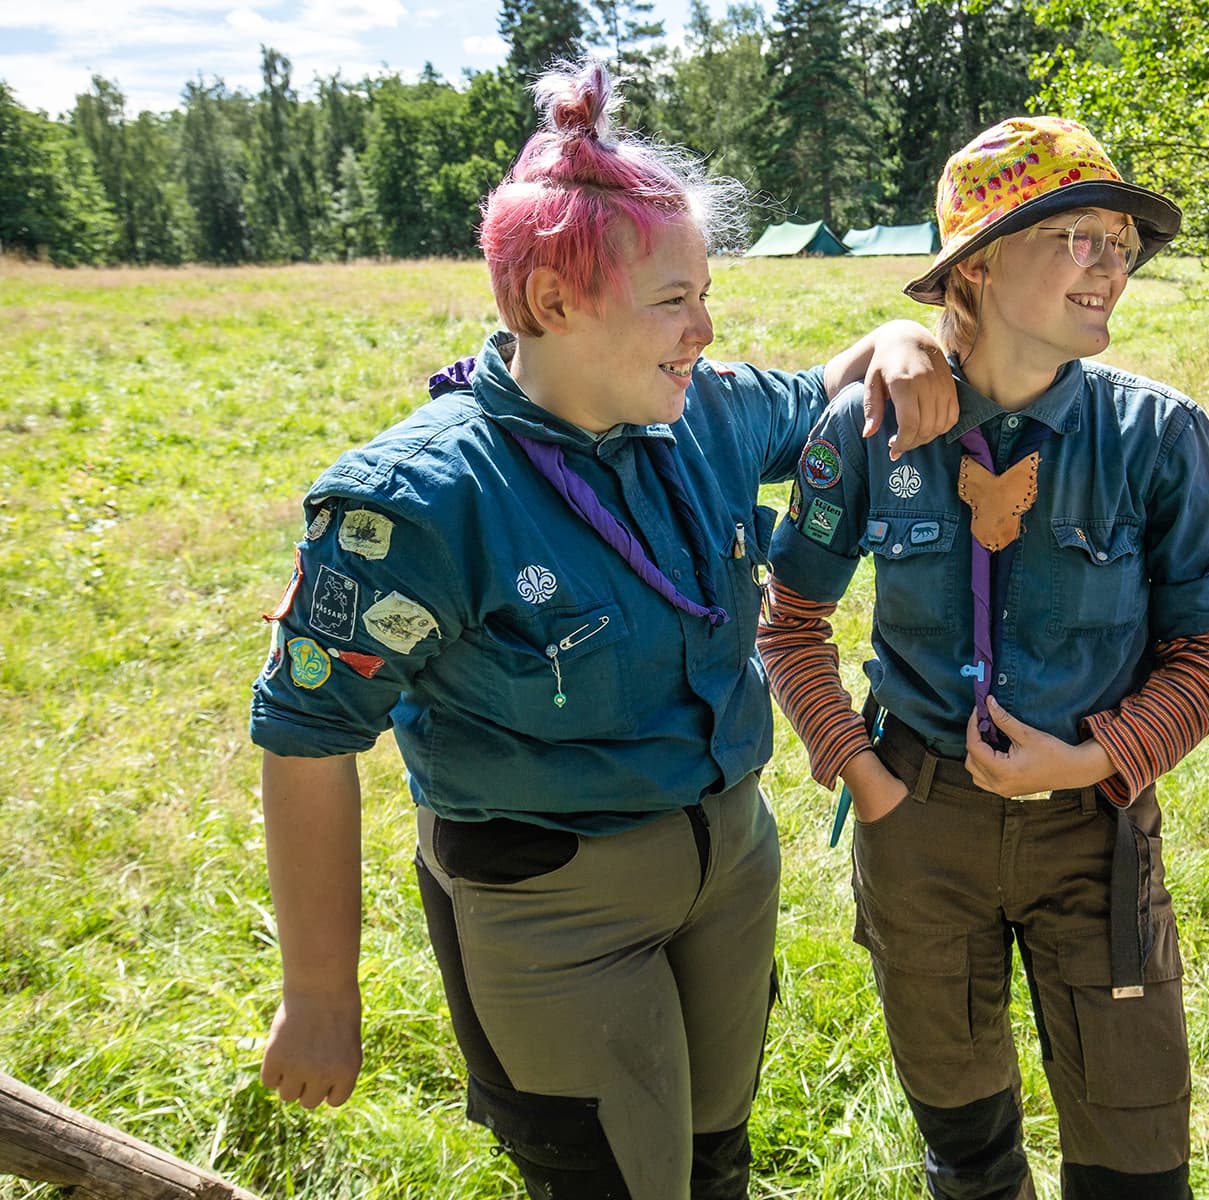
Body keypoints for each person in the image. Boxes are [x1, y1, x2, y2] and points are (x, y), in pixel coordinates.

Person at [247, 58, 957, 1200]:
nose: (704, 328)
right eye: (673, 300)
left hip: (727, 867)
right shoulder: (418, 503)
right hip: (552, 905)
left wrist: (900, 335)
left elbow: (834, 384)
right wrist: (321, 993)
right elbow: (305, 735)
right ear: (550, 303)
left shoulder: (704, 412)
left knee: (715, 1163)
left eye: (705, 293)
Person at [756, 117, 1209, 1200]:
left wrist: (1098, 759)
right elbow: (789, 624)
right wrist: (867, 779)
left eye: (1123, 243)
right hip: (919, 826)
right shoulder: (867, 429)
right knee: (968, 1154)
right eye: (1079, 237)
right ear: (976, 266)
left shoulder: (1158, 438)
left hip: (1095, 828)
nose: (1112, 266)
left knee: (1137, 1163)